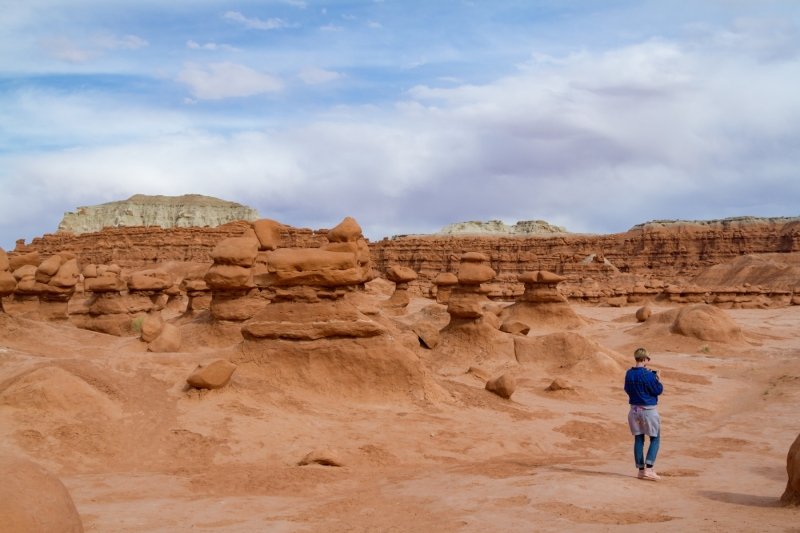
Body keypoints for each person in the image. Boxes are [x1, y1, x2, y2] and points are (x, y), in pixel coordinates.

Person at [624, 347, 663, 481]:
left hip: (634, 410)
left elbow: (627, 389)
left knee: (639, 438)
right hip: (648, 410)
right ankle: (649, 468)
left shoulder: (629, 373)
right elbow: (658, 390)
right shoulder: (648, 375)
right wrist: (657, 378)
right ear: (645, 359)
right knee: (655, 438)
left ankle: (641, 470)